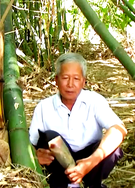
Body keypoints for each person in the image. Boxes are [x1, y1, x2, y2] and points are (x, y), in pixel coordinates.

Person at [29, 53, 127, 188]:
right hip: (58, 167)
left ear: (83, 81)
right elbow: (31, 144)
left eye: (76, 78)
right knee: (50, 137)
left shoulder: (95, 101)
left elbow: (119, 129)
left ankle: (92, 184)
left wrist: (92, 160)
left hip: (90, 163)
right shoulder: (43, 107)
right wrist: (36, 156)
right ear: (56, 80)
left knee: (113, 149)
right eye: (65, 78)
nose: (70, 84)